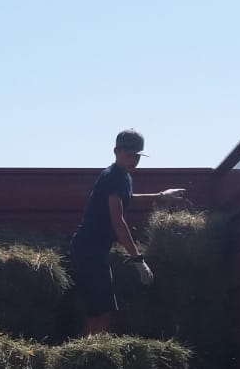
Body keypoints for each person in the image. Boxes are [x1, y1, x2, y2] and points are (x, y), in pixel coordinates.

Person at [67, 129, 186, 335]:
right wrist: (138, 260)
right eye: (128, 155)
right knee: (102, 310)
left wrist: (160, 196)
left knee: (102, 308)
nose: (133, 160)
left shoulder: (123, 176)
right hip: (89, 250)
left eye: (137, 156)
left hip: (94, 249)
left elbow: (127, 198)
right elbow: (118, 221)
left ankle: (90, 348)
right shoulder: (113, 177)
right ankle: (87, 350)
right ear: (116, 151)